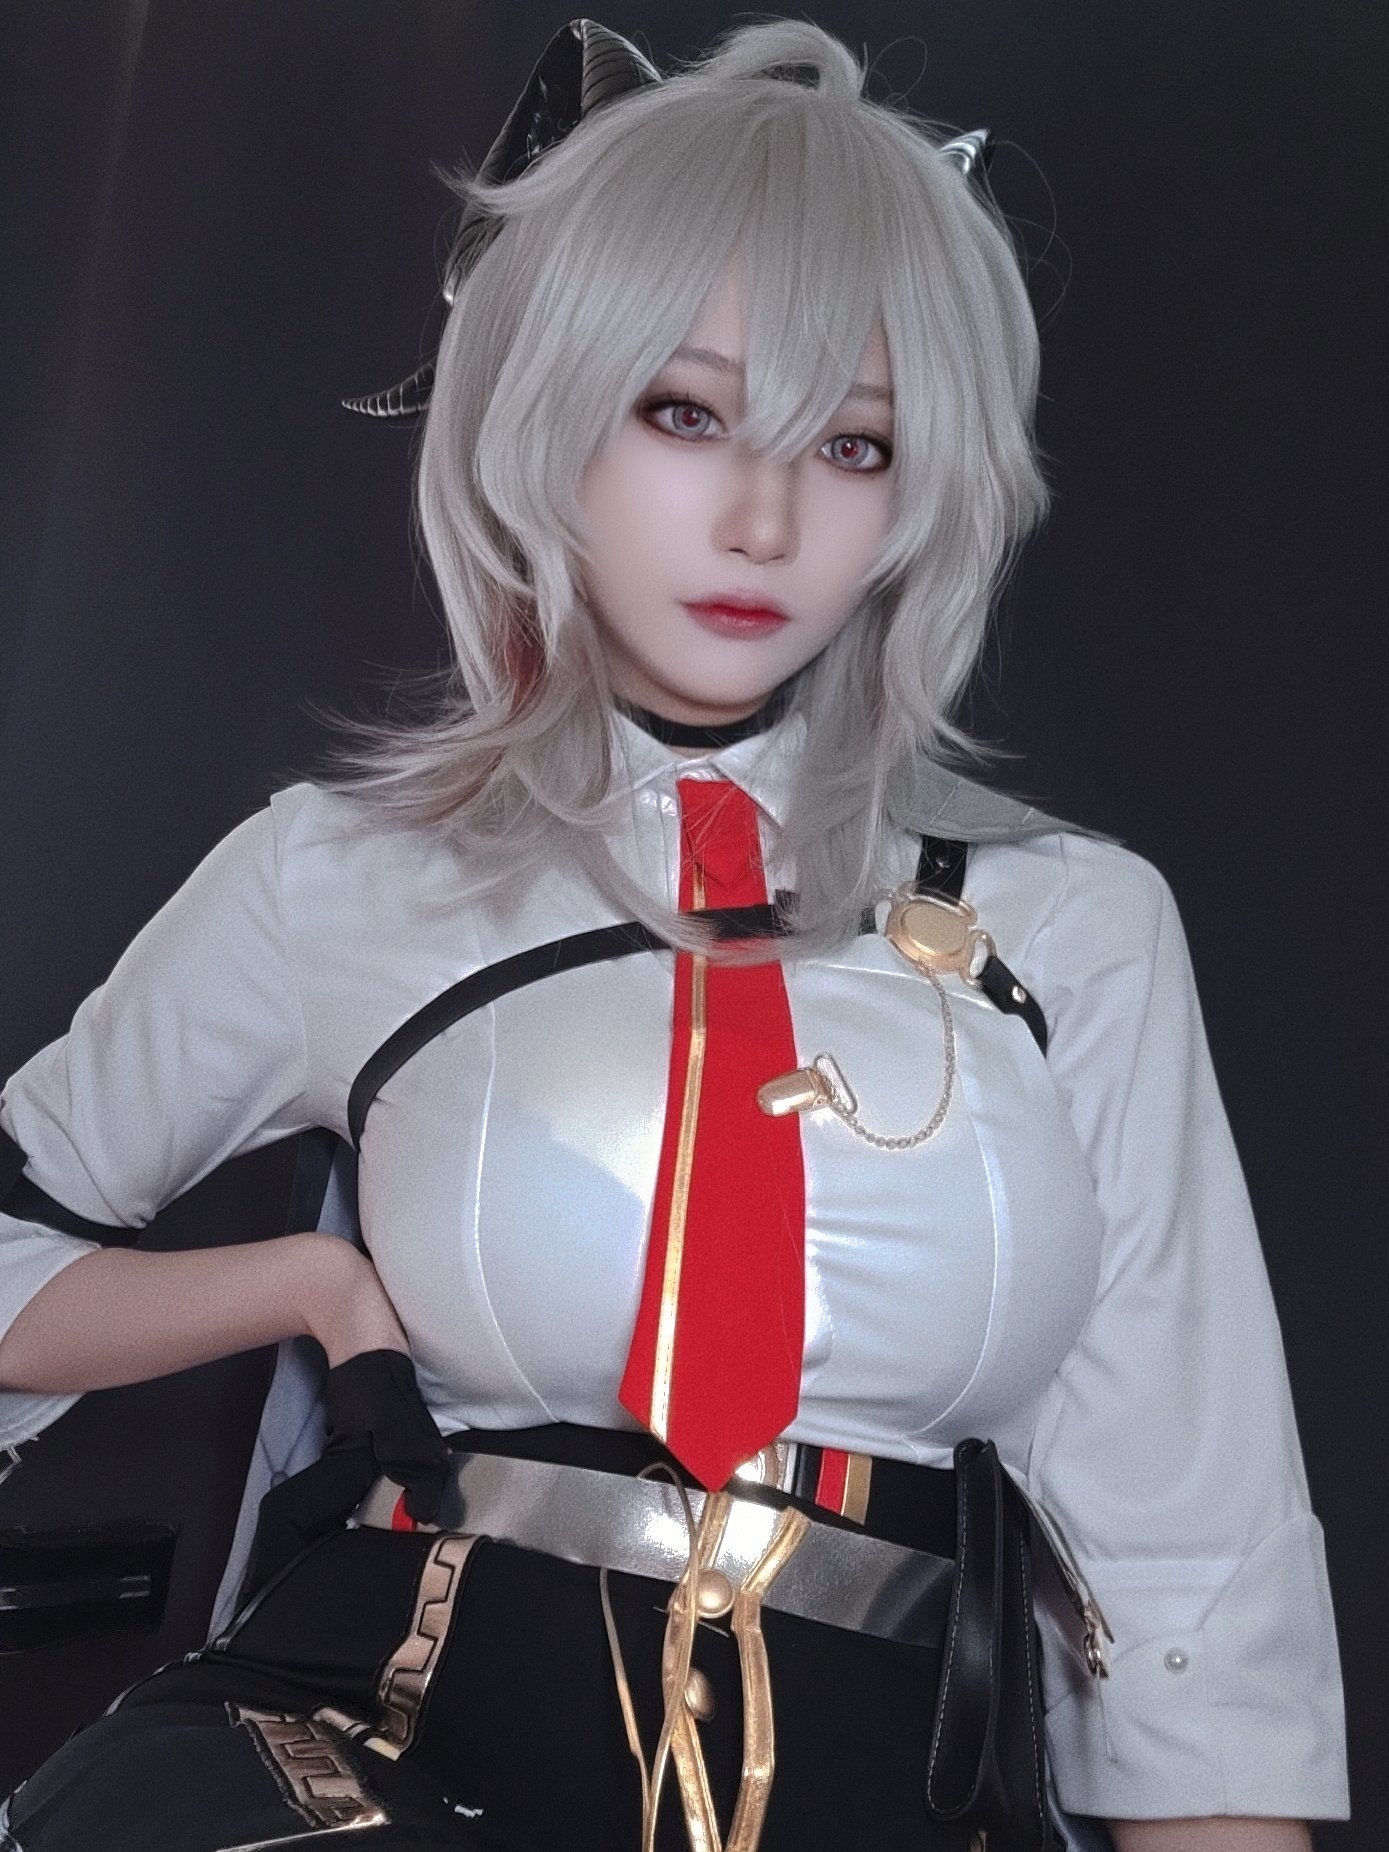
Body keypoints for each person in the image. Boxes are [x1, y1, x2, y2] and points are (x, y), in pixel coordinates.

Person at [0, 18, 1348, 1852]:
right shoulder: (345, 878)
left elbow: (1192, 1558)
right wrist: (306, 1288)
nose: (766, 519)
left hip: (884, 1787)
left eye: (853, 443)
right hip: (395, 1744)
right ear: (546, 411)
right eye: (685, 413)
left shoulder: (1074, 927)